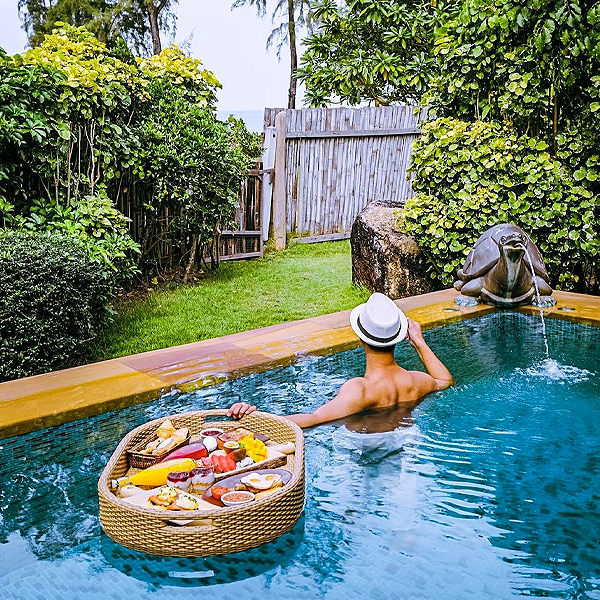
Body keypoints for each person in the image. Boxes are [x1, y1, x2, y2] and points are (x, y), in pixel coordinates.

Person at [227, 292, 454, 428]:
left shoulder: (361, 390)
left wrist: (255, 420)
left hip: (367, 451)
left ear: (361, 338)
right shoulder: (415, 381)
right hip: (406, 443)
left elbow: (313, 418)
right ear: (399, 336)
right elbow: (445, 380)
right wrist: (419, 341)